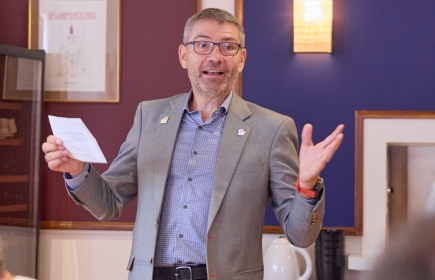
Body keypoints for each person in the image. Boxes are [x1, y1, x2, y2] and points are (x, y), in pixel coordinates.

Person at [42, 8, 344, 280]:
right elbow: (109, 204)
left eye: (228, 46)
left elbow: (300, 235)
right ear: (183, 55)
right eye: (202, 44)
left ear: (242, 58)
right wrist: (78, 169)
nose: (214, 56)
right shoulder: (149, 116)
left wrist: (306, 184)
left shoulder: (272, 129)